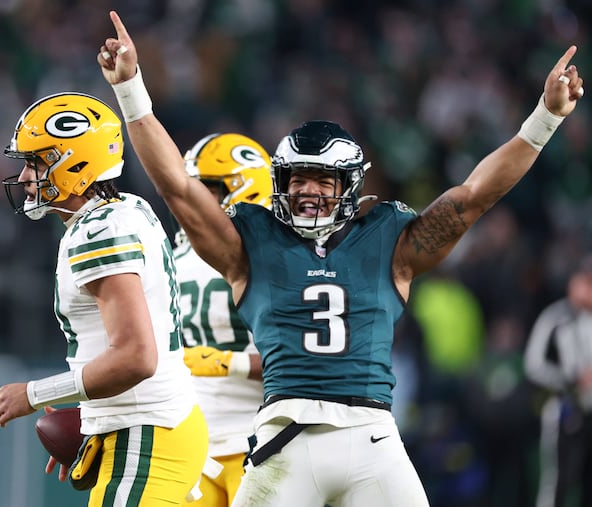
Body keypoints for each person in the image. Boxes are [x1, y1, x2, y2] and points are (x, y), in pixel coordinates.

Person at [98, 10, 584, 507]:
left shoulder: (388, 241)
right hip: (285, 439)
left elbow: (475, 194)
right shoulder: (252, 243)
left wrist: (544, 118)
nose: (307, 191)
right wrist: (131, 87)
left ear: (348, 186)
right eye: (296, 180)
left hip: (372, 436)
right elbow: (177, 185)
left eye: (322, 180)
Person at [0, 92, 208, 506]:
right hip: (153, 427)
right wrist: (97, 418)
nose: (27, 177)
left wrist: (34, 394)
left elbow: (137, 356)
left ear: (76, 164)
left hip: (145, 435)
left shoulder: (98, 232)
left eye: (36, 163)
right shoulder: (127, 209)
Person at [175, 132, 270, 507]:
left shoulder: (275, 259)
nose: (189, 202)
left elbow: (306, 357)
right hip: (192, 438)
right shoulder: (172, 254)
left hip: (263, 437)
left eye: (204, 190)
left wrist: (226, 363)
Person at [524, 257, 592, 507]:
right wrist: (570, 379)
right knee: (559, 480)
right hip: (564, 409)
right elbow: (534, 364)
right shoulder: (556, 317)